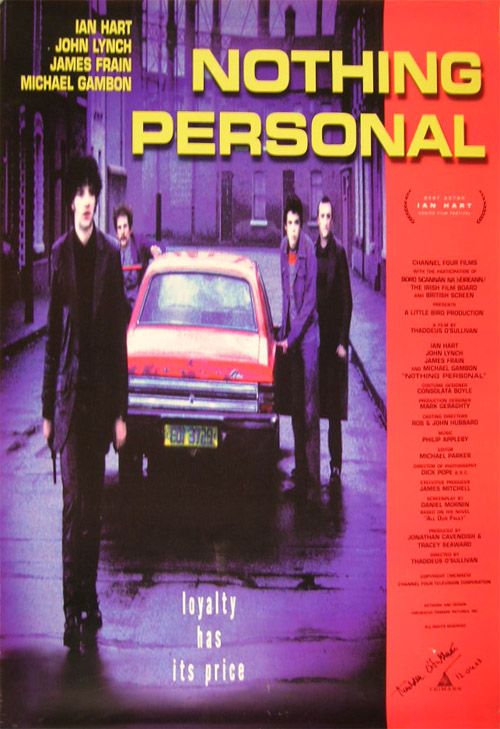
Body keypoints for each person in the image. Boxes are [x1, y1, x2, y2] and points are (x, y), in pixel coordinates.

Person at [42, 155, 128, 649]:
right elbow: (52, 340)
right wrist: (47, 411)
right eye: (79, 193)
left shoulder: (110, 255)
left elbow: (117, 340)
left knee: (93, 509)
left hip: (101, 404)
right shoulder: (58, 256)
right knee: (74, 507)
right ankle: (71, 606)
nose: (86, 201)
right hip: (70, 402)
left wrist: (121, 413)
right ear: (71, 203)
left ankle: (90, 598)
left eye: (91, 193)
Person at [276, 195, 320, 505]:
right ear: (284, 225)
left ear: (302, 225)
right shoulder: (282, 249)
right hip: (291, 335)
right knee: (293, 405)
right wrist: (282, 332)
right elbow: (285, 294)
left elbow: (308, 303)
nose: (293, 229)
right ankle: (300, 472)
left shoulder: (309, 252)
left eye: (296, 223)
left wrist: (291, 337)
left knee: (308, 407)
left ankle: (313, 479)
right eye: (289, 223)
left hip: (307, 337)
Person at [315, 196, 352, 488]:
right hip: (314, 342)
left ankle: (335, 465)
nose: (325, 221)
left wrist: (343, 341)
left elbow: (347, 301)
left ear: (332, 220)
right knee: (312, 407)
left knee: (333, 411)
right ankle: (310, 463)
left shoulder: (339, 253)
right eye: (321, 216)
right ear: (316, 220)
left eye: (329, 216)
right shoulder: (311, 250)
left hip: (332, 344)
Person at [113, 203, 162, 319]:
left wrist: (155, 251)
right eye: (119, 228)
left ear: (130, 229)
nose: (122, 232)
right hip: (120, 307)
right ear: (116, 233)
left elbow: (159, 247)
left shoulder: (139, 243)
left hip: (139, 306)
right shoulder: (112, 249)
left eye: (125, 226)